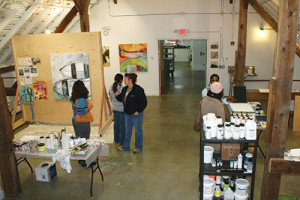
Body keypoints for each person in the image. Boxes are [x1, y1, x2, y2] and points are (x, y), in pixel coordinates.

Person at [115, 73, 147, 153]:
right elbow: (122, 99)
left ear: (130, 80)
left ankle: (138, 147)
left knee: (138, 131)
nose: (124, 80)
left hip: (136, 115)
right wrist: (117, 96)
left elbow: (144, 102)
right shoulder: (125, 89)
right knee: (127, 130)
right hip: (127, 114)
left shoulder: (138, 89)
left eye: (125, 78)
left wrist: (138, 111)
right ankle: (126, 146)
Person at [109, 74, 125, 145]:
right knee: (122, 126)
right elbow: (123, 99)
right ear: (121, 80)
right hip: (122, 109)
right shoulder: (122, 88)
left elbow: (111, 98)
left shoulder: (110, 87)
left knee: (116, 124)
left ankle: (116, 139)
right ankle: (122, 141)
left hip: (114, 108)